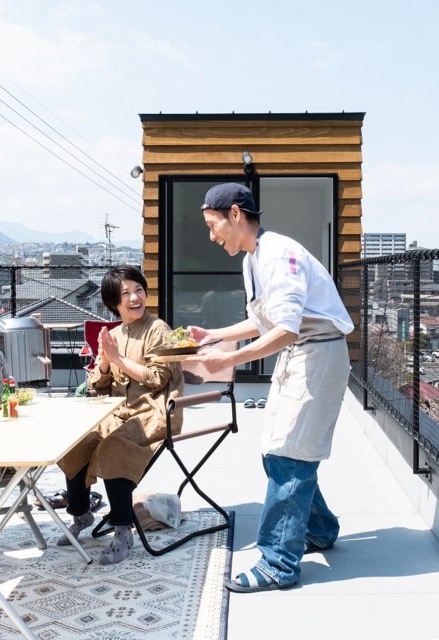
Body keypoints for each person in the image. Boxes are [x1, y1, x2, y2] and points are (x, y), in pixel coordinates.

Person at [187, 183, 352, 593]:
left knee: (289, 458)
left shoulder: (278, 254)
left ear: (236, 215)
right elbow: (266, 321)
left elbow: (286, 329)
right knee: (279, 451)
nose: (211, 236)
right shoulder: (253, 258)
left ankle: (278, 563)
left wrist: (227, 360)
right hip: (300, 355)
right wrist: (214, 335)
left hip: (317, 356)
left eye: (213, 225)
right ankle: (320, 529)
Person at [56, 265, 185, 564]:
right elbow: (97, 386)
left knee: (114, 446)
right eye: (125, 293)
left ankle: (123, 529)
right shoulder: (114, 333)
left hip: (153, 412)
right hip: (116, 412)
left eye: (138, 289)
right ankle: (82, 514)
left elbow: (157, 379)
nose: (134, 297)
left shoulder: (158, 329)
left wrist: (119, 359)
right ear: (114, 303)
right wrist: (104, 363)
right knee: (76, 443)